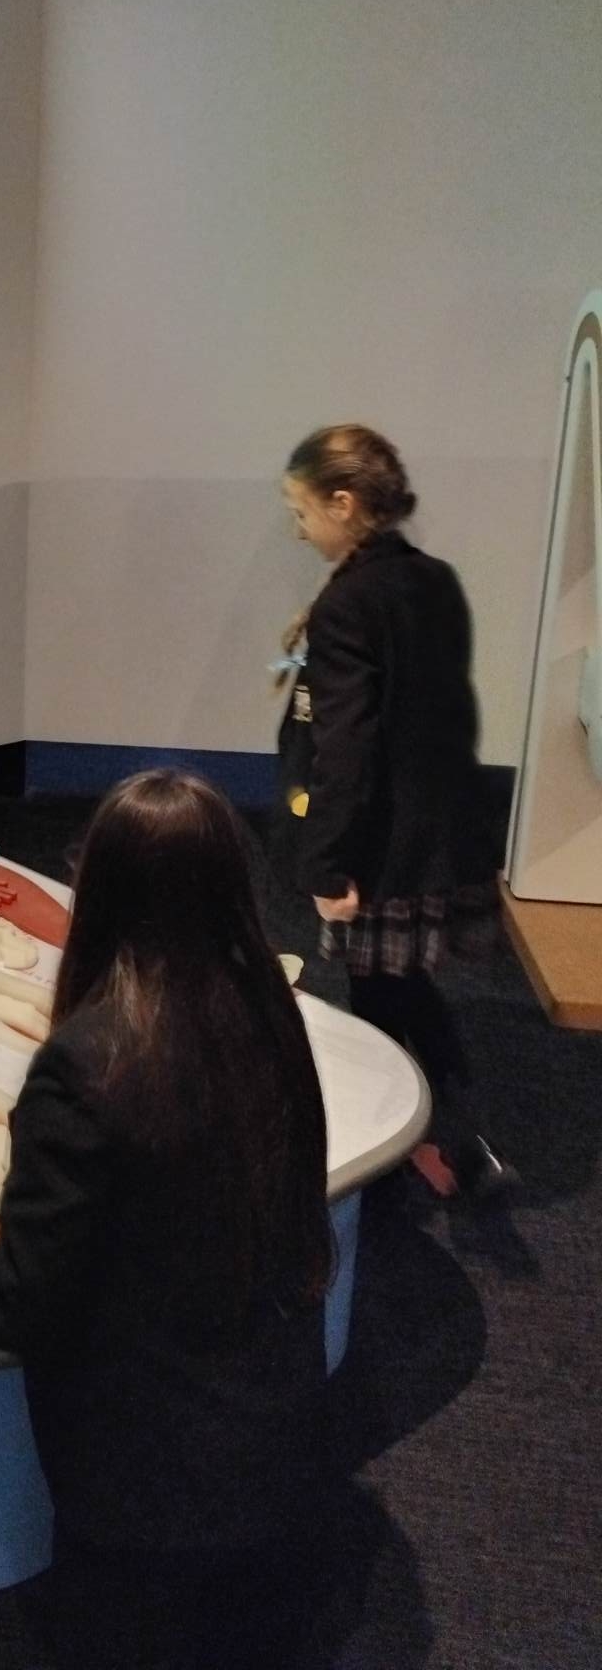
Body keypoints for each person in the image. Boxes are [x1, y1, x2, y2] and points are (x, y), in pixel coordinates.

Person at [0, 771, 332, 1669]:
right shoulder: (270, 1016)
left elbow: (24, 1306)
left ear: (101, 891)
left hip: (142, 1492)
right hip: (278, 1446)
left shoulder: (85, 1064)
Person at [278, 422, 515, 1197]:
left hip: (379, 843)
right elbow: (450, 717)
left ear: (344, 503)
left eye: (302, 510)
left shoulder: (349, 603)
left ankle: (408, 1150)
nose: (298, 528)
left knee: (380, 995)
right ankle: (459, 1140)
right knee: (404, 986)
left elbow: (345, 747)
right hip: (441, 832)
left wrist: (324, 863)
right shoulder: (433, 579)